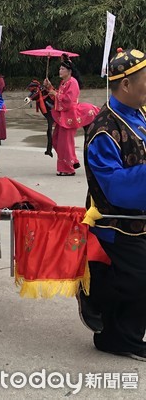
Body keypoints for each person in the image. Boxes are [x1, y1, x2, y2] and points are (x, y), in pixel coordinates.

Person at [81, 48, 146, 361]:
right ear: (126, 85)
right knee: (139, 278)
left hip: (140, 218)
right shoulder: (104, 129)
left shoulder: (139, 113)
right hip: (115, 222)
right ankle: (116, 337)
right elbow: (116, 187)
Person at [44, 54, 98, 176]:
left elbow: (68, 100)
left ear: (69, 71)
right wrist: (49, 87)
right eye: (60, 68)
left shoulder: (73, 82)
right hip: (63, 115)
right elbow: (58, 96)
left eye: (62, 69)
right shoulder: (64, 82)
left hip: (70, 115)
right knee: (56, 140)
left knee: (65, 143)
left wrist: (55, 93)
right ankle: (71, 161)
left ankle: (68, 168)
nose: (60, 70)